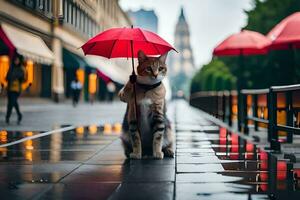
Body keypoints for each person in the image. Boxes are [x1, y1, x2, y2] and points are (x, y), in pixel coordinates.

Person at [5, 54, 26, 124]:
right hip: (10, 88)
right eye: (15, 60)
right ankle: (19, 115)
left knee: (12, 102)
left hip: (17, 89)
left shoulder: (21, 69)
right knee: (12, 103)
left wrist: (17, 77)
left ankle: (8, 116)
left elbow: (23, 79)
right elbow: (7, 77)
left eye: (17, 60)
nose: (16, 62)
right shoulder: (11, 68)